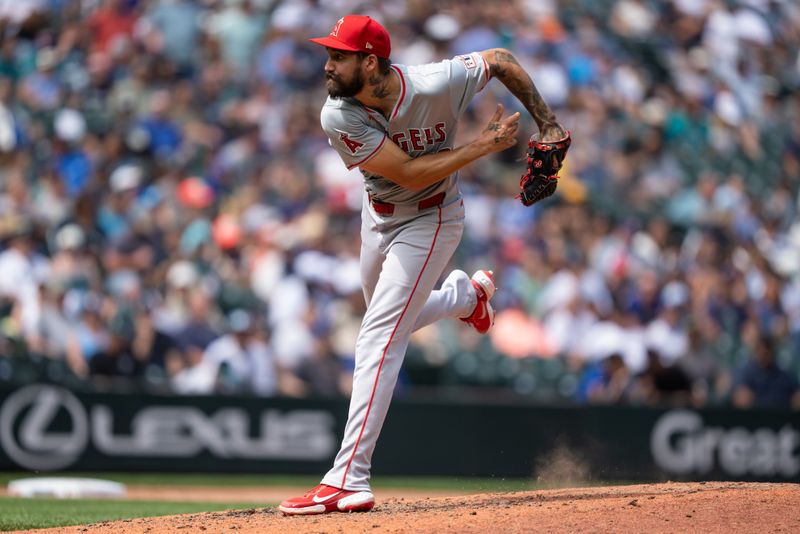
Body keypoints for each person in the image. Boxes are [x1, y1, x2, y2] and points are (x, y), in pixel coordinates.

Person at [279, 14, 567, 515]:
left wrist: (549, 124)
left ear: (370, 61)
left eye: (338, 55)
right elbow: (408, 173)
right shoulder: (337, 114)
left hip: (433, 220)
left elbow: (500, 60)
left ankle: (349, 478)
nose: (327, 65)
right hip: (381, 215)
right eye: (329, 54)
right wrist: (481, 146)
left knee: (378, 334)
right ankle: (466, 296)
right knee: (386, 322)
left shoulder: (435, 81)